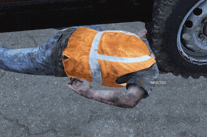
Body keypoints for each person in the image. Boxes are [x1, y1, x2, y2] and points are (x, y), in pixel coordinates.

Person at [0, 25, 159, 109]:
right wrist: (89, 92)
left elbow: (129, 100)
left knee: (38, 10)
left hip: (81, 32)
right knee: (7, 59)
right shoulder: (149, 72)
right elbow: (129, 100)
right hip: (64, 55)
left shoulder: (144, 43)